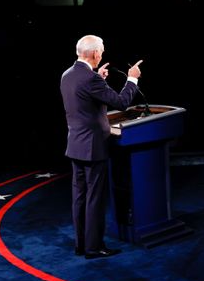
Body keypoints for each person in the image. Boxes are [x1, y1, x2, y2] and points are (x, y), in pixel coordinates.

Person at [60, 35, 142, 258]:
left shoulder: (68, 75)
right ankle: (94, 247)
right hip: (93, 147)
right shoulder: (90, 79)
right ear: (95, 54)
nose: (102, 54)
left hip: (76, 145)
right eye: (102, 51)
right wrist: (132, 80)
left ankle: (81, 244)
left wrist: (98, 78)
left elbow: (85, 99)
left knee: (79, 198)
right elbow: (122, 102)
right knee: (94, 198)